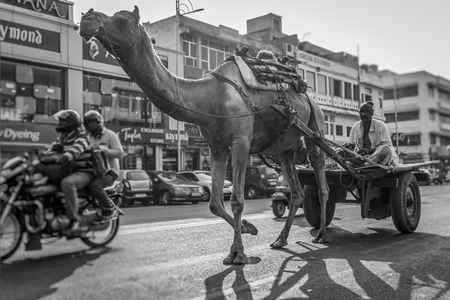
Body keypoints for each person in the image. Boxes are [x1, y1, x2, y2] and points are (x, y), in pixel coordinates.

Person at [53, 110, 93, 234]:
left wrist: (64, 157)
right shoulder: (64, 136)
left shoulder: (82, 136)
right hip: (71, 170)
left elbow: (76, 150)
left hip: (84, 172)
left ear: (70, 123)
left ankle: (73, 219)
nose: (60, 123)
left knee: (67, 183)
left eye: (62, 121)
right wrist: (45, 156)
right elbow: (53, 148)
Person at [83, 110, 124, 220]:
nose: (91, 125)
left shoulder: (111, 135)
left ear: (99, 122)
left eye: (93, 122)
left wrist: (104, 150)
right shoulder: (88, 138)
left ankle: (108, 209)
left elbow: (120, 153)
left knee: (94, 186)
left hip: (110, 172)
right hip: (95, 171)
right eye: (89, 123)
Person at [344, 101, 399, 166]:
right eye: (361, 112)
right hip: (362, 158)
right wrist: (347, 148)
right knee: (340, 151)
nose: (363, 114)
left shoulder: (381, 125)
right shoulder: (355, 126)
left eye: (367, 111)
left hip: (382, 159)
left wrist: (368, 151)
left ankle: (365, 164)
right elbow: (351, 146)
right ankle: (362, 162)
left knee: (385, 149)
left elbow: (387, 147)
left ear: (372, 113)